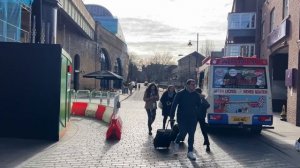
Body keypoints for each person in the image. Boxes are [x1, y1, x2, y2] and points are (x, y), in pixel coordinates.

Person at [170, 79, 203, 160]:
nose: (194, 86)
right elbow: (174, 105)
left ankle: (190, 152)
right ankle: (176, 143)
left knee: (191, 134)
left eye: (195, 84)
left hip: (192, 118)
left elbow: (200, 106)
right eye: (192, 84)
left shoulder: (196, 95)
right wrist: (171, 117)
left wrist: (198, 114)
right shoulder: (180, 94)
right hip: (182, 117)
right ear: (187, 85)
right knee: (182, 132)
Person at [195, 87, 211, 152]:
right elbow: (208, 105)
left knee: (192, 131)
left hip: (196, 116)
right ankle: (207, 145)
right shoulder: (202, 98)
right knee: (204, 131)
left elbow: (207, 105)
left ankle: (191, 145)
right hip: (201, 116)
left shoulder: (197, 98)